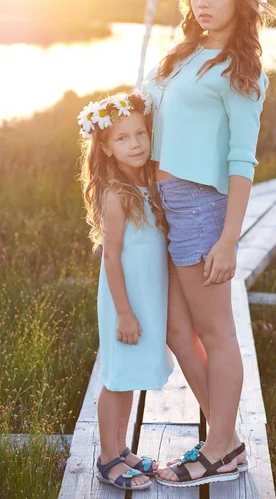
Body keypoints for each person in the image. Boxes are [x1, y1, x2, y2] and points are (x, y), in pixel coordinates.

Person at [141, 0, 276, 488]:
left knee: (216, 333)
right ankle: (226, 434)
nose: (203, 2)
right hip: (163, 204)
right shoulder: (185, 54)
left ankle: (221, 447)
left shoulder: (241, 72)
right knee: (177, 330)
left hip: (201, 208)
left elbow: (242, 163)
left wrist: (228, 239)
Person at [77, 90, 173, 491]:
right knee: (116, 379)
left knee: (130, 376)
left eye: (140, 134)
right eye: (122, 138)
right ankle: (107, 459)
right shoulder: (115, 194)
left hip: (147, 299)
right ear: (105, 146)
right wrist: (125, 313)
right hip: (125, 301)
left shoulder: (150, 182)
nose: (135, 144)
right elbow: (111, 259)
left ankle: (122, 449)